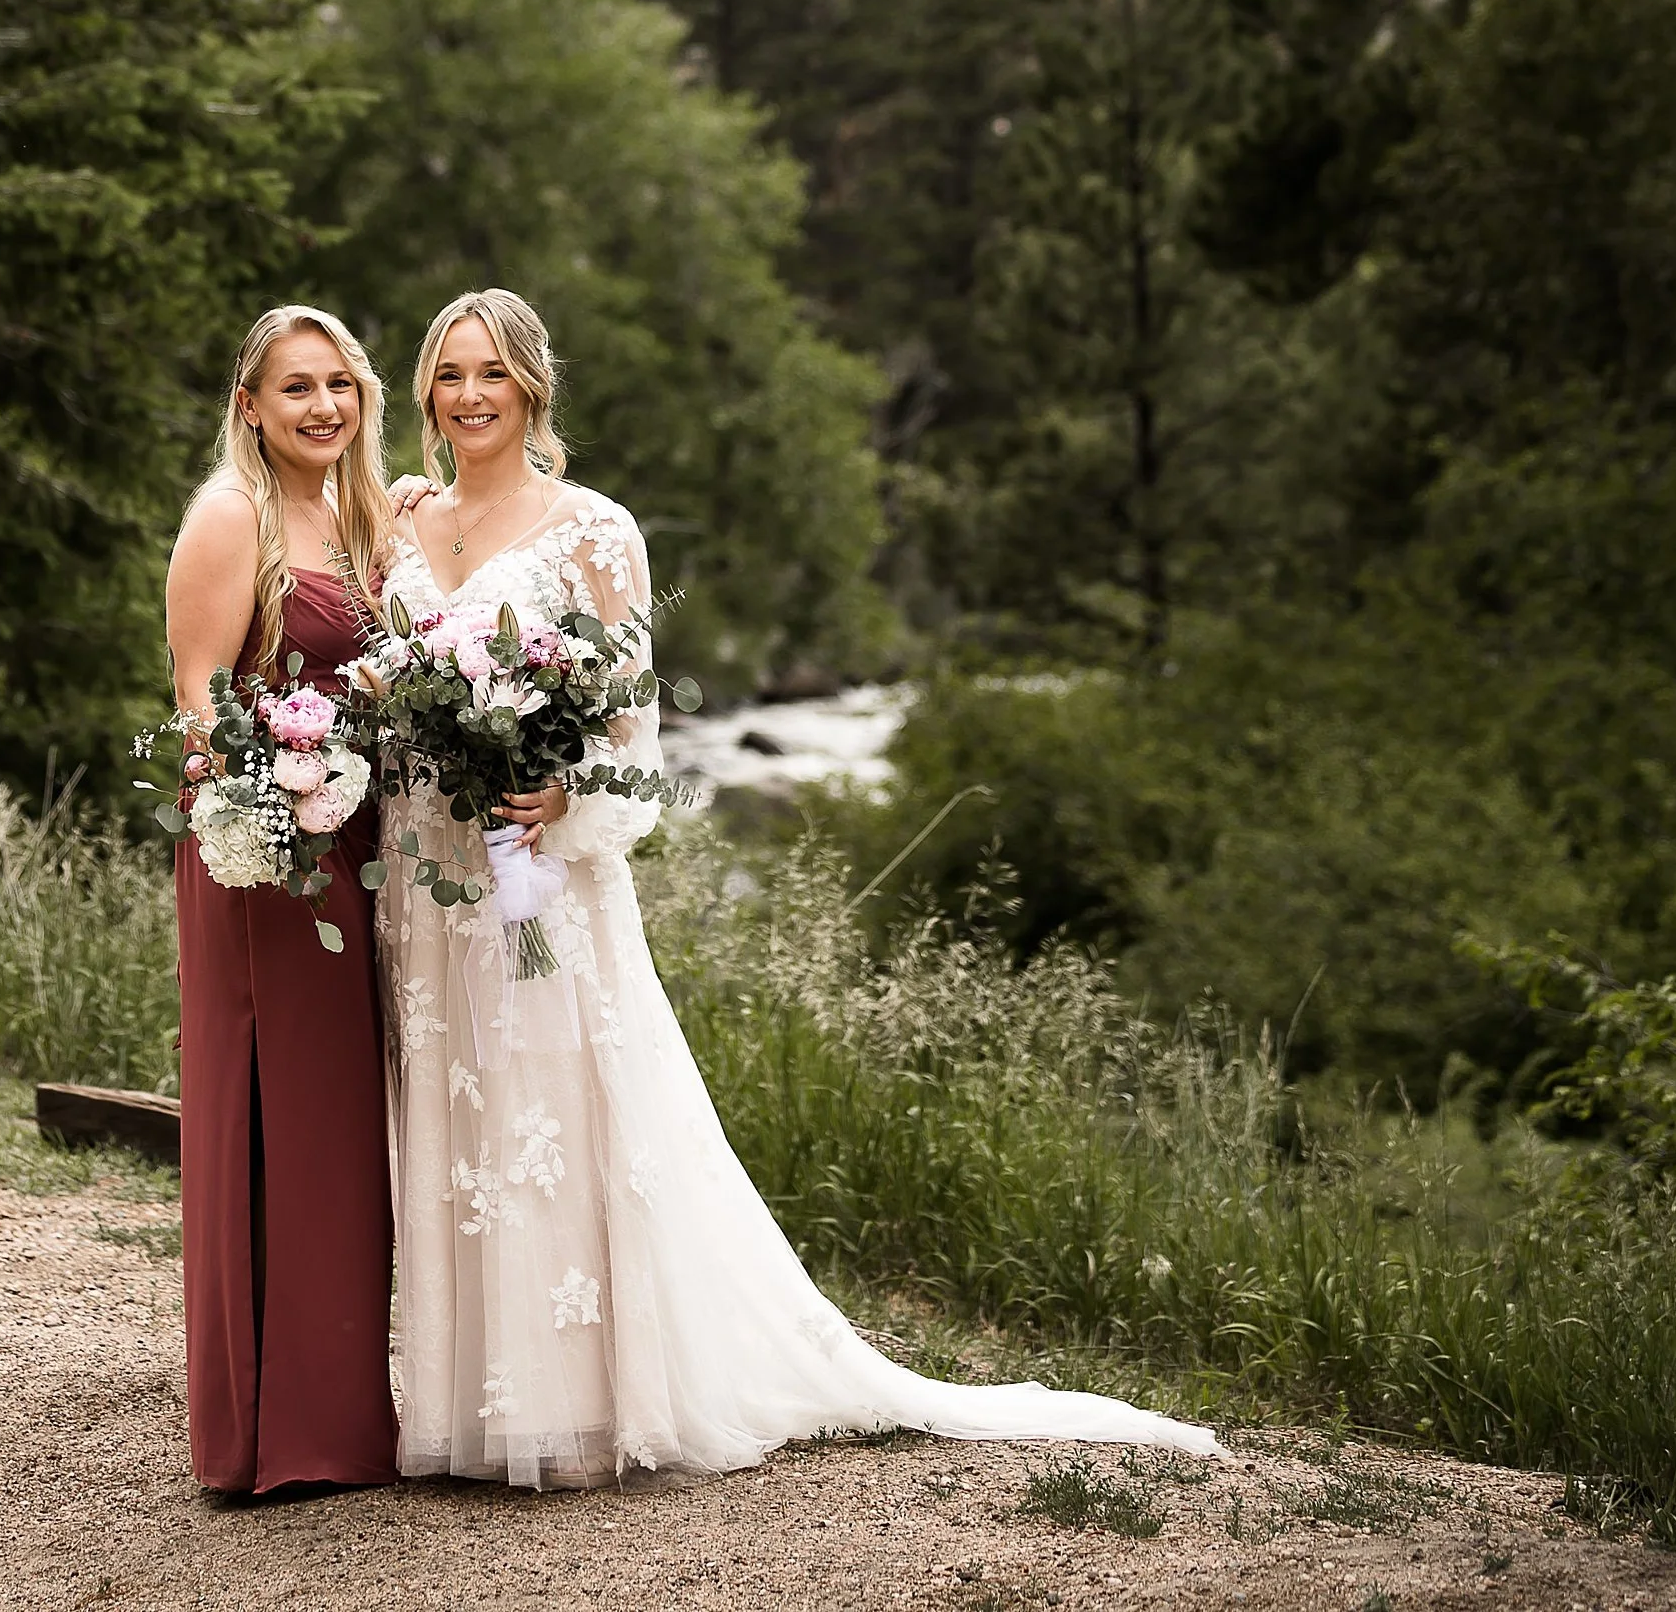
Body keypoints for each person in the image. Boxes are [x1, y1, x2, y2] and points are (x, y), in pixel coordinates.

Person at [378, 285, 1224, 1489]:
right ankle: (465, 1403)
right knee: (458, 1115)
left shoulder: (595, 531)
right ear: (424, 392)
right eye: (449, 375)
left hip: (539, 876)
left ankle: (569, 1403)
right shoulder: (399, 522)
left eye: (491, 374)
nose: (469, 396)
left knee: (550, 1115)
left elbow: (633, 733)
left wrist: (564, 798)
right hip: (426, 883)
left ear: (532, 387)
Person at [164, 303, 399, 1499]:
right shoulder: (229, 518)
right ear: (248, 405)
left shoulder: (363, 519)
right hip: (260, 856)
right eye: (294, 389)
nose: (321, 408)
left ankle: (341, 1420)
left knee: (335, 1130)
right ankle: (263, 1437)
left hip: (349, 852)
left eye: (339, 386)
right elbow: (201, 699)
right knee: (267, 1117)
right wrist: (275, 798)